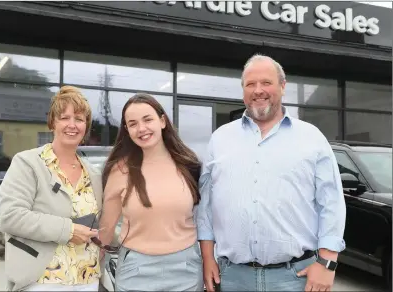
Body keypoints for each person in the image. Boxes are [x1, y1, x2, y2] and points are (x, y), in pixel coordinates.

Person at [197, 54, 346, 292]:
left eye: (266, 83)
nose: (258, 90)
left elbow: (332, 203)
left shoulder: (312, 138)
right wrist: (207, 258)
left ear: (282, 86)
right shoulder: (220, 139)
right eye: (250, 84)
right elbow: (206, 205)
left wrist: (327, 263)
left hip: (297, 278)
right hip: (232, 277)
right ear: (243, 90)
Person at [0, 86, 104, 291]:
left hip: (87, 278)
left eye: (79, 119)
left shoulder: (94, 174)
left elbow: (102, 223)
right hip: (43, 279)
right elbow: (10, 216)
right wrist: (68, 230)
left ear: (86, 127)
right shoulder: (28, 163)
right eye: (65, 118)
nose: (72, 125)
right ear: (52, 122)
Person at [98, 93, 203, 291]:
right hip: (136, 269)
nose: (142, 129)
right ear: (127, 130)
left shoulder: (188, 164)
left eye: (148, 119)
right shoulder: (120, 170)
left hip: (186, 268)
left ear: (162, 121)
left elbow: (204, 218)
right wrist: (94, 264)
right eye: (133, 123)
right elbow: (106, 227)